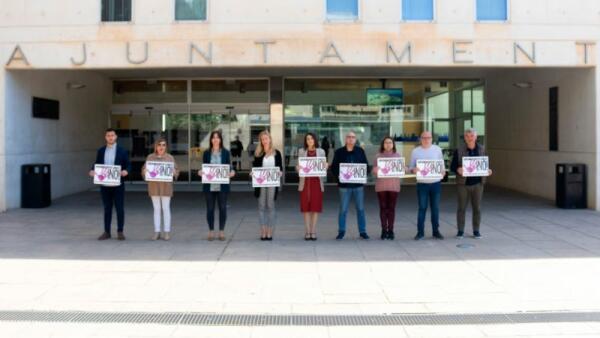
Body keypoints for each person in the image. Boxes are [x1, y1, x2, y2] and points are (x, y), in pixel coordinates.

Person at [88, 128, 130, 241]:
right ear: (105, 137)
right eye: (108, 135)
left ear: (116, 137)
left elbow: (128, 164)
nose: (110, 137)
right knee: (107, 209)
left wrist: (126, 171)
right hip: (105, 185)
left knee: (120, 209)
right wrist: (92, 170)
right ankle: (107, 232)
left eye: (112, 135)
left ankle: (120, 231)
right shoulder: (101, 150)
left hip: (118, 185)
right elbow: (97, 163)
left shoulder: (122, 150)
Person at [450, 128, 492, 239]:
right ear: (464, 137)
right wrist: (458, 169)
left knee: (477, 208)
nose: (470, 138)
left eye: (472, 136)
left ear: (476, 137)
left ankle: (476, 230)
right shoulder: (459, 150)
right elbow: (452, 166)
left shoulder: (482, 149)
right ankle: (460, 231)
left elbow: (486, 165)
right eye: (467, 136)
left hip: (478, 184)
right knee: (461, 208)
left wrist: (488, 170)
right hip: (463, 184)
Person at [331, 131, 369, 240]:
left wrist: (363, 175)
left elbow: (365, 166)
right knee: (343, 209)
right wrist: (339, 175)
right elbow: (334, 167)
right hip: (344, 186)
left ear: (355, 139)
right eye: (349, 137)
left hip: (358, 185)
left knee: (360, 209)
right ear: (345, 138)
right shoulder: (339, 152)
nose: (351, 139)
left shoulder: (360, 151)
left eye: (353, 137)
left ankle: (363, 231)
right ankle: (341, 231)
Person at [200, 130, 236, 241]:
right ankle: (211, 231)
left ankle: (221, 231)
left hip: (222, 185)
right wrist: (200, 172)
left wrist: (232, 172)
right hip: (209, 185)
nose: (215, 139)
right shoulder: (206, 153)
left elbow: (229, 167)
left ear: (220, 140)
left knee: (222, 208)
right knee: (210, 209)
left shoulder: (225, 152)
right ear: (211, 140)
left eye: (217, 137)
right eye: (213, 137)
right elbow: (204, 168)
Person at [409, 131, 445, 241]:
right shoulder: (415, 151)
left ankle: (436, 231)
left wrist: (443, 172)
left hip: (435, 183)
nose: (426, 139)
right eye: (424, 137)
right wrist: (413, 170)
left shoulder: (437, 149)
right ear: (420, 139)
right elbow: (411, 168)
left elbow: (441, 164)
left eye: (428, 137)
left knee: (435, 209)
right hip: (422, 184)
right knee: (422, 208)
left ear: (431, 138)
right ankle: (420, 233)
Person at [142, 137, 179, 241]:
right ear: (155, 146)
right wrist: (144, 171)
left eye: (163, 145)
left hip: (166, 187)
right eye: (159, 145)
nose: (161, 147)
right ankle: (157, 232)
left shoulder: (170, 158)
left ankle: (167, 232)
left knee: (166, 209)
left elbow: (176, 170)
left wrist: (174, 172)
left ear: (166, 147)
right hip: (154, 187)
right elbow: (144, 170)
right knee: (156, 209)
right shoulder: (150, 157)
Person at [252, 130, 283, 241]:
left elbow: (280, 169)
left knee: (270, 206)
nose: (264, 141)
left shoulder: (277, 153)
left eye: (266, 138)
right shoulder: (258, 153)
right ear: (260, 141)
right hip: (261, 184)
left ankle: (270, 231)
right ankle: (263, 231)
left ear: (270, 139)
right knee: (261, 206)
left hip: (272, 184)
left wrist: (280, 173)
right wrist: (252, 173)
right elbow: (254, 168)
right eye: (262, 139)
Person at [297, 133, 327, 241]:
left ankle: (313, 231)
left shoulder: (321, 151)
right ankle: (307, 231)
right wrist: (298, 168)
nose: (309, 140)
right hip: (305, 183)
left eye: (311, 138)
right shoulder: (301, 151)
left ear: (315, 140)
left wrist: (325, 166)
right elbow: (299, 167)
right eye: (307, 139)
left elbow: (323, 167)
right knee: (305, 208)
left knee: (315, 207)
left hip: (316, 182)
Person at [372, 136, 401, 240]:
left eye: (390, 142)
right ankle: (384, 230)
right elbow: (374, 171)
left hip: (394, 186)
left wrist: (405, 168)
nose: (388, 144)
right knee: (383, 208)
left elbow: (403, 168)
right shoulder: (378, 156)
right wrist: (375, 170)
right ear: (383, 145)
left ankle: (391, 230)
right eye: (386, 143)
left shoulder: (397, 156)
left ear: (393, 144)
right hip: (381, 186)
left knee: (392, 209)